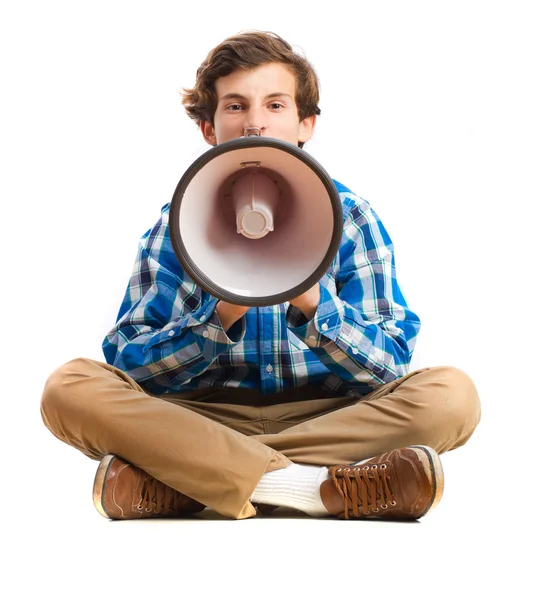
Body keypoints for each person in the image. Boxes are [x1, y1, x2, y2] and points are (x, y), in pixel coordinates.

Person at [41, 30, 481, 521]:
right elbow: (131, 363)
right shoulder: (174, 226)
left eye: (275, 105)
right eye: (234, 106)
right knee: (69, 388)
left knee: (451, 397)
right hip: (204, 416)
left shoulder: (352, 218)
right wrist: (222, 314)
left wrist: (315, 304)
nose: (254, 122)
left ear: (305, 124)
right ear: (209, 128)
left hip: (327, 416)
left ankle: (191, 478)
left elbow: (390, 365)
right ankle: (311, 487)